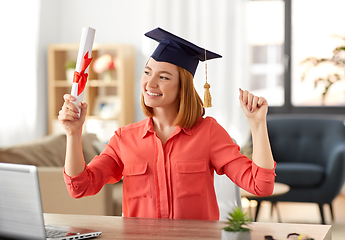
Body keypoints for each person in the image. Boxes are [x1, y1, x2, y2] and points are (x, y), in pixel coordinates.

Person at [58, 27, 276, 221]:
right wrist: (73, 134)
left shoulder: (208, 132)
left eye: (163, 77)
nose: (150, 83)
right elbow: (80, 187)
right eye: (147, 72)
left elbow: (260, 186)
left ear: (183, 87)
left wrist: (257, 125)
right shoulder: (124, 139)